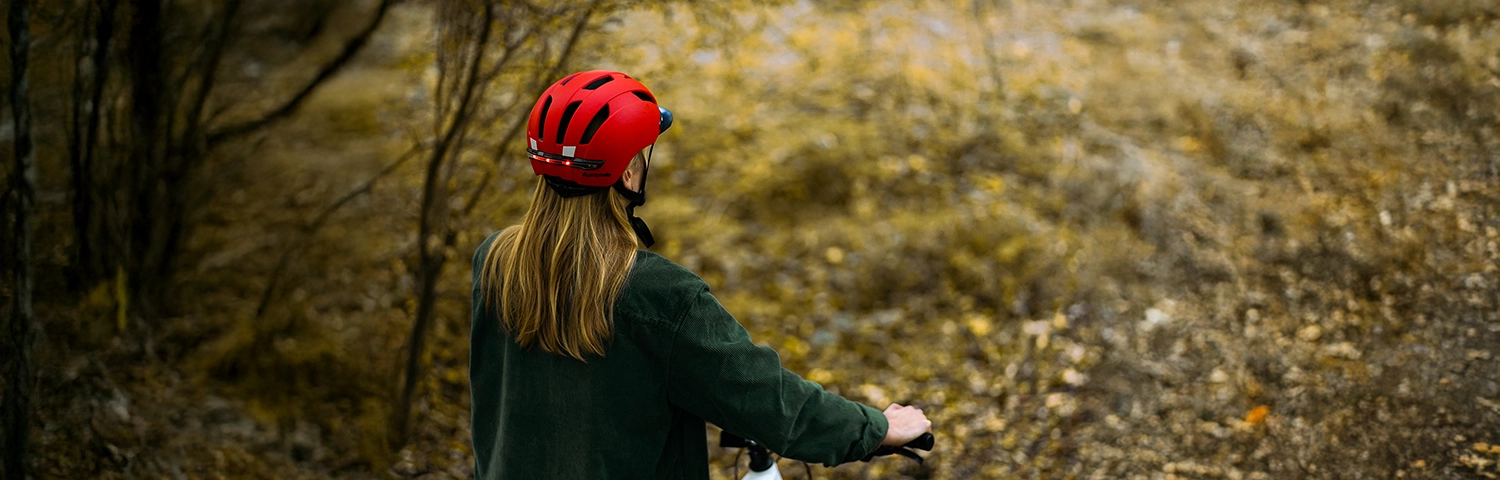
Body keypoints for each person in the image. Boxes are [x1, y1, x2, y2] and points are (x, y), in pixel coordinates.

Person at [468, 70, 931, 479]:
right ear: (629, 173)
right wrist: (877, 427)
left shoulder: (495, 262)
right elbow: (771, 402)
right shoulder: (659, 296)